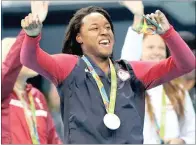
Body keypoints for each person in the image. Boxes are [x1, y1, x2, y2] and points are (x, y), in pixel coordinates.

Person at [19, 1, 195, 144]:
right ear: (79, 37)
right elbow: (30, 59)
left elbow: (186, 64)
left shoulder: (132, 71)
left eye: (108, 27)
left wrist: (168, 33)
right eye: (95, 28)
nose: (104, 31)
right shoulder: (69, 65)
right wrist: (32, 36)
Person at [120, 1, 195, 144]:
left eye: (161, 48)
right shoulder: (130, 85)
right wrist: (138, 15)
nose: (156, 52)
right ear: (139, 52)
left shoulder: (177, 89)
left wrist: (183, 141)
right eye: (150, 47)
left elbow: (191, 131)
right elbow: (127, 61)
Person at [1, 2, 62, 144]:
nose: (30, 54)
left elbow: (53, 140)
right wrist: (29, 30)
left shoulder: (37, 96)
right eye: (22, 51)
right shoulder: (3, 95)